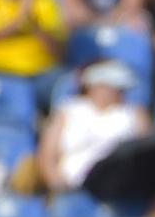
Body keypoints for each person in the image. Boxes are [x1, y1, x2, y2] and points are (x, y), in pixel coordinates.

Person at [38, 58, 149, 197]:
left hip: (120, 189)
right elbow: (47, 155)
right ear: (94, 86)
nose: (117, 92)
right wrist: (57, 184)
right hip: (73, 187)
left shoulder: (134, 114)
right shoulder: (67, 111)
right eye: (110, 87)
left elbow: (146, 155)